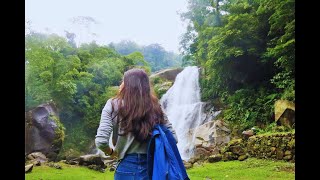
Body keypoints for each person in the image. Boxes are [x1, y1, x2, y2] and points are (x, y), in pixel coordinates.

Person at [95, 68, 178, 180]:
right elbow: (173, 138)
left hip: (125, 168)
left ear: (127, 84)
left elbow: (101, 141)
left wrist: (112, 153)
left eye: (123, 81)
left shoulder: (113, 104)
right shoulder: (154, 106)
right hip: (152, 169)